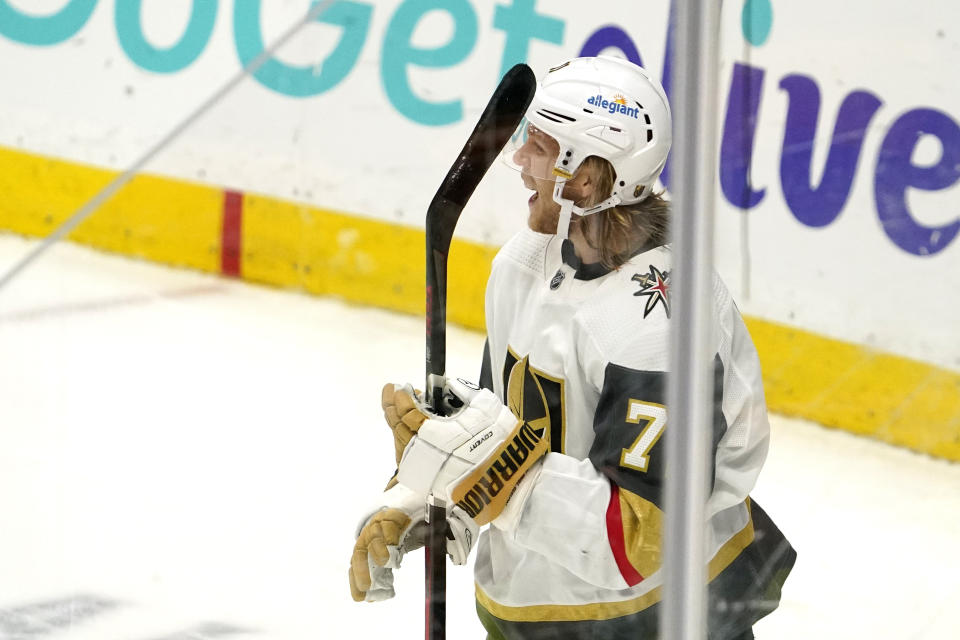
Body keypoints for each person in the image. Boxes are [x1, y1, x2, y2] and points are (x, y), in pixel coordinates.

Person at [349, 56, 796, 640]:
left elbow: (641, 537)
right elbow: (500, 429)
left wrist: (491, 479)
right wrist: (425, 501)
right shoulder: (523, 264)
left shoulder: (662, 320)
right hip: (530, 611)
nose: (518, 160)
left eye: (539, 144)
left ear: (585, 179)